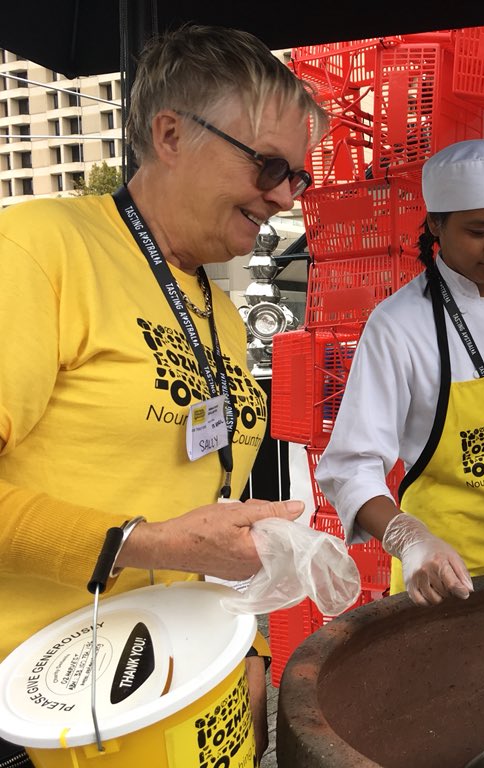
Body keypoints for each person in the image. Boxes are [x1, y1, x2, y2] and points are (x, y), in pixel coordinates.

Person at [0, 25, 326, 763]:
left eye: (298, 178)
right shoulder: (40, 248)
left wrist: (243, 646)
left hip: (176, 691)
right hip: (43, 709)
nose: (281, 195)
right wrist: (140, 543)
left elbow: (203, 508)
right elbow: (171, 533)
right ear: (171, 134)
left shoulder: (220, 312)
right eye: (268, 165)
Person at [316, 139, 484, 606]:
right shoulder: (399, 324)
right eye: (478, 230)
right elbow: (351, 467)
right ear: (437, 224)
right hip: (445, 574)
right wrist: (410, 539)